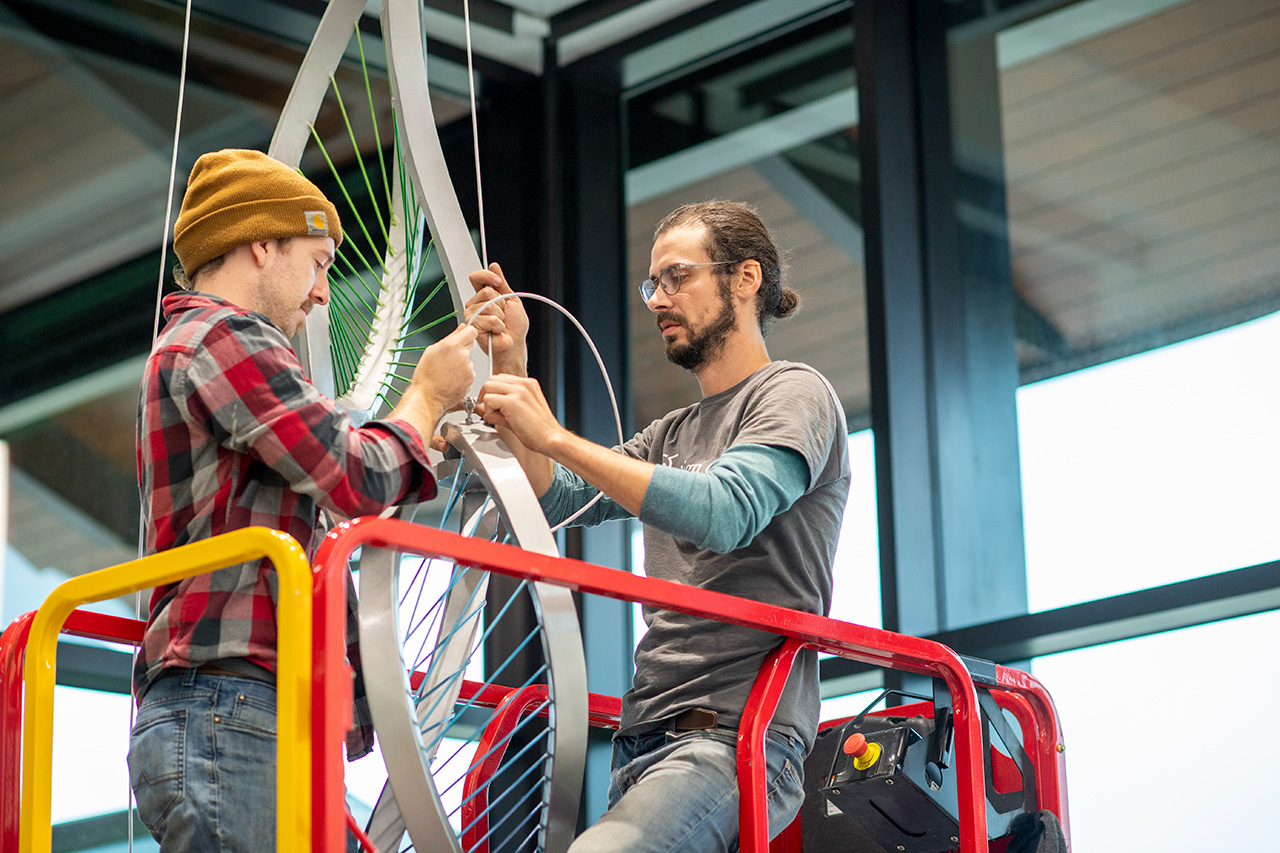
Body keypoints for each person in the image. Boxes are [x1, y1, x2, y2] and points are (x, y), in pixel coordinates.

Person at [467, 200, 850, 852]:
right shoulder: (670, 433)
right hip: (644, 737)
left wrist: (556, 435)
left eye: (677, 277)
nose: (657, 300)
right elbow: (553, 500)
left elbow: (725, 511)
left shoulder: (795, 394)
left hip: (736, 740)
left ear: (746, 278)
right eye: (653, 284)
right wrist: (513, 360)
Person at [128, 148, 478, 852]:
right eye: (318, 262)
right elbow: (357, 476)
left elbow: (339, 479)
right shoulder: (223, 337)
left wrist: (424, 435)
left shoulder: (201, 347)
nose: (323, 292)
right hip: (232, 704)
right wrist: (426, 395)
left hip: (234, 705)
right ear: (261, 244)